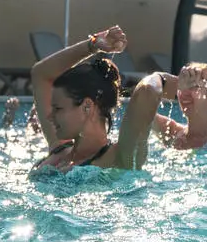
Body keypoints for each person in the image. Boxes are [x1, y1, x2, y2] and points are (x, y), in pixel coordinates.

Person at [28, 27, 167, 173]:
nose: (49, 116)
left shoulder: (119, 158)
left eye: (58, 109)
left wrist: (163, 80)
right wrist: (92, 45)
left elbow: (148, 92)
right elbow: (40, 73)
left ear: (87, 106)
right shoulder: (59, 150)